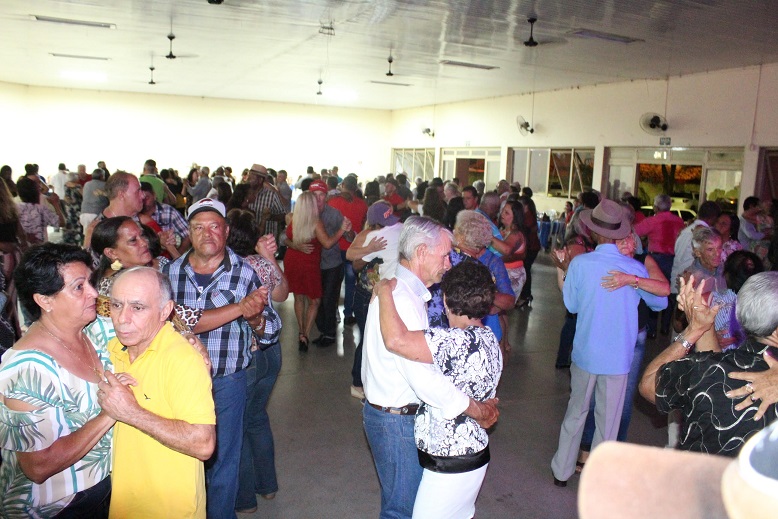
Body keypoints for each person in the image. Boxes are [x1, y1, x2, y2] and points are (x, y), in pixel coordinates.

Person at [361, 215, 499, 519]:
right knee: (402, 510)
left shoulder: (405, 294)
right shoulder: (401, 299)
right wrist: (473, 408)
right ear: (421, 252)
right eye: (444, 254)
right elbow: (422, 376)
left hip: (394, 418)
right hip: (395, 422)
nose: (449, 263)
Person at [164, 197, 274, 519]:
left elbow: (270, 330)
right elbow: (177, 319)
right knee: (184, 454)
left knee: (225, 459)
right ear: (190, 232)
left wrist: (255, 319)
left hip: (228, 380)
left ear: (226, 231)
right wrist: (240, 308)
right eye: (198, 227)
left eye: (214, 227)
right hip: (179, 381)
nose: (207, 234)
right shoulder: (170, 272)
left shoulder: (245, 272)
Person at [550, 198, 667, 487]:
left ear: (593, 232)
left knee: (575, 413)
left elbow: (573, 306)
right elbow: (661, 302)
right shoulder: (633, 270)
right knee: (609, 419)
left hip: (586, 353)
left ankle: (562, 471)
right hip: (618, 357)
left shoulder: (580, 264)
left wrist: (562, 269)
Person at [0, 243, 113, 517]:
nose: (94, 293)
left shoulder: (95, 330)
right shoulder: (26, 368)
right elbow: (37, 466)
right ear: (45, 300)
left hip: (103, 488)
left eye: (90, 282)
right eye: (79, 287)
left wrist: (189, 344)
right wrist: (110, 414)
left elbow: (152, 325)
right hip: (57, 507)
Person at [98, 267, 216, 518]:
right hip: (125, 503)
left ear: (165, 311)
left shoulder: (182, 359)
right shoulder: (113, 348)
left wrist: (131, 412)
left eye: (138, 308)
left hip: (169, 509)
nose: (122, 318)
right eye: (117, 305)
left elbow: (203, 443)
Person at [640, 272, 778, 456]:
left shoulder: (710, 369)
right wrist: (703, 327)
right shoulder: (713, 369)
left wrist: (693, 331)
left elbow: (649, 384)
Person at [225, 209, 287, 512]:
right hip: (271, 349)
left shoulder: (227, 267)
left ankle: (244, 498)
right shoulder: (260, 263)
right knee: (257, 418)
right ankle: (268, 486)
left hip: (246, 354)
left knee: (237, 425)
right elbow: (284, 293)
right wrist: (270, 258)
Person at [284, 191, 351, 351]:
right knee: (315, 300)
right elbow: (327, 244)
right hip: (309, 263)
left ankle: (300, 331)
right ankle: (305, 334)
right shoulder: (316, 222)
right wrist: (341, 230)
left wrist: (293, 245)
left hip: (292, 260)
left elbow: (285, 238)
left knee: (299, 298)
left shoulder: (291, 218)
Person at [345, 200, 399, 399]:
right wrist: (371, 250)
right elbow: (354, 263)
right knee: (367, 340)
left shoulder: (393, 233)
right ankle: (357, 382)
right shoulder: (367, 236)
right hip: (366, 294)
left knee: (379, 338)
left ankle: (372, 380)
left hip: (382, 293)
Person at [634, 194, 685, 336]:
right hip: (673, 259)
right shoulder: (679, 221)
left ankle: (651, 329)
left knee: (653, 291)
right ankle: (665, 326)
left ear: (655, 207)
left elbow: (635, 232)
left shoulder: (653, 221)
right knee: (670, 293)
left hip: (655, 260)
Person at [328, 175, 368, 326]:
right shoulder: (362, 205)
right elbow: (364, 224)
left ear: (343, 185)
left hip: (335, 247)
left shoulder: (333, 202)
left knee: (334, 284)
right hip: (354, 248)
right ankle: (348, 313)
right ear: (356, 187)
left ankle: (334, 312)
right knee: (351, 283)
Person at [83, 171, 145, 249]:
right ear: (122, 195)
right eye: (137, 192)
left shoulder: (142, 221)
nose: (143, 195)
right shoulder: (99, 231)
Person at [16, 176, 64, 245]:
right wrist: (55, 204)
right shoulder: (41, 209)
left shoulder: (13, 208)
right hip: (38, 248)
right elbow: (61, 223)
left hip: (20, 248)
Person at [499, 199, 528, 303]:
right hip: (504, 271)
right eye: (503, 210)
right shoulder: (504, 230)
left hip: (512, 274)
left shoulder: (516, 234)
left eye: (507, 213)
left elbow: (506, 250)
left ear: (515, 217)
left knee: (500, 306)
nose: (502, 214)